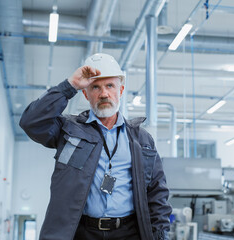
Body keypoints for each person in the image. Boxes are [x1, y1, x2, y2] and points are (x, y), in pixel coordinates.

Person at [19, 53, 172, 240]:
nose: (104, 93)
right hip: (82, 232)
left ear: (121, 90)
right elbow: (31, 122)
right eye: (95, 87)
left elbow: (157, 192)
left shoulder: (141, 139)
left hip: (130, 232)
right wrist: (69, 86)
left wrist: (160, 234)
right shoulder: (69, 131)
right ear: (85, 93)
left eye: (110, 86)